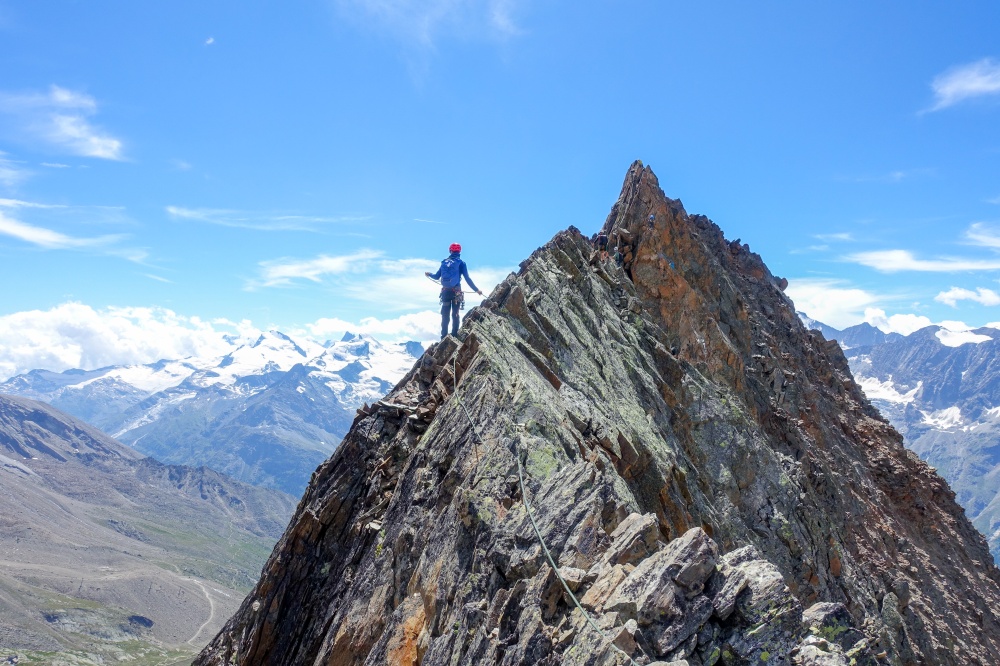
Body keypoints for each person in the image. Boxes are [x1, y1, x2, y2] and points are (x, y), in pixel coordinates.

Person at [425, 243, 484, 339]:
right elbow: (467, 279)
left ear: (450, 251)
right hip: (456, 292)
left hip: (445, 292)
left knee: (445, 314)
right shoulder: (461, 263)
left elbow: (436, 276)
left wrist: (429, 274)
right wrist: (476, 290)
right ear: (459, 251)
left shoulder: (444, 262)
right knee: (455, 314)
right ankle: (454, 335)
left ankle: (443, 336)